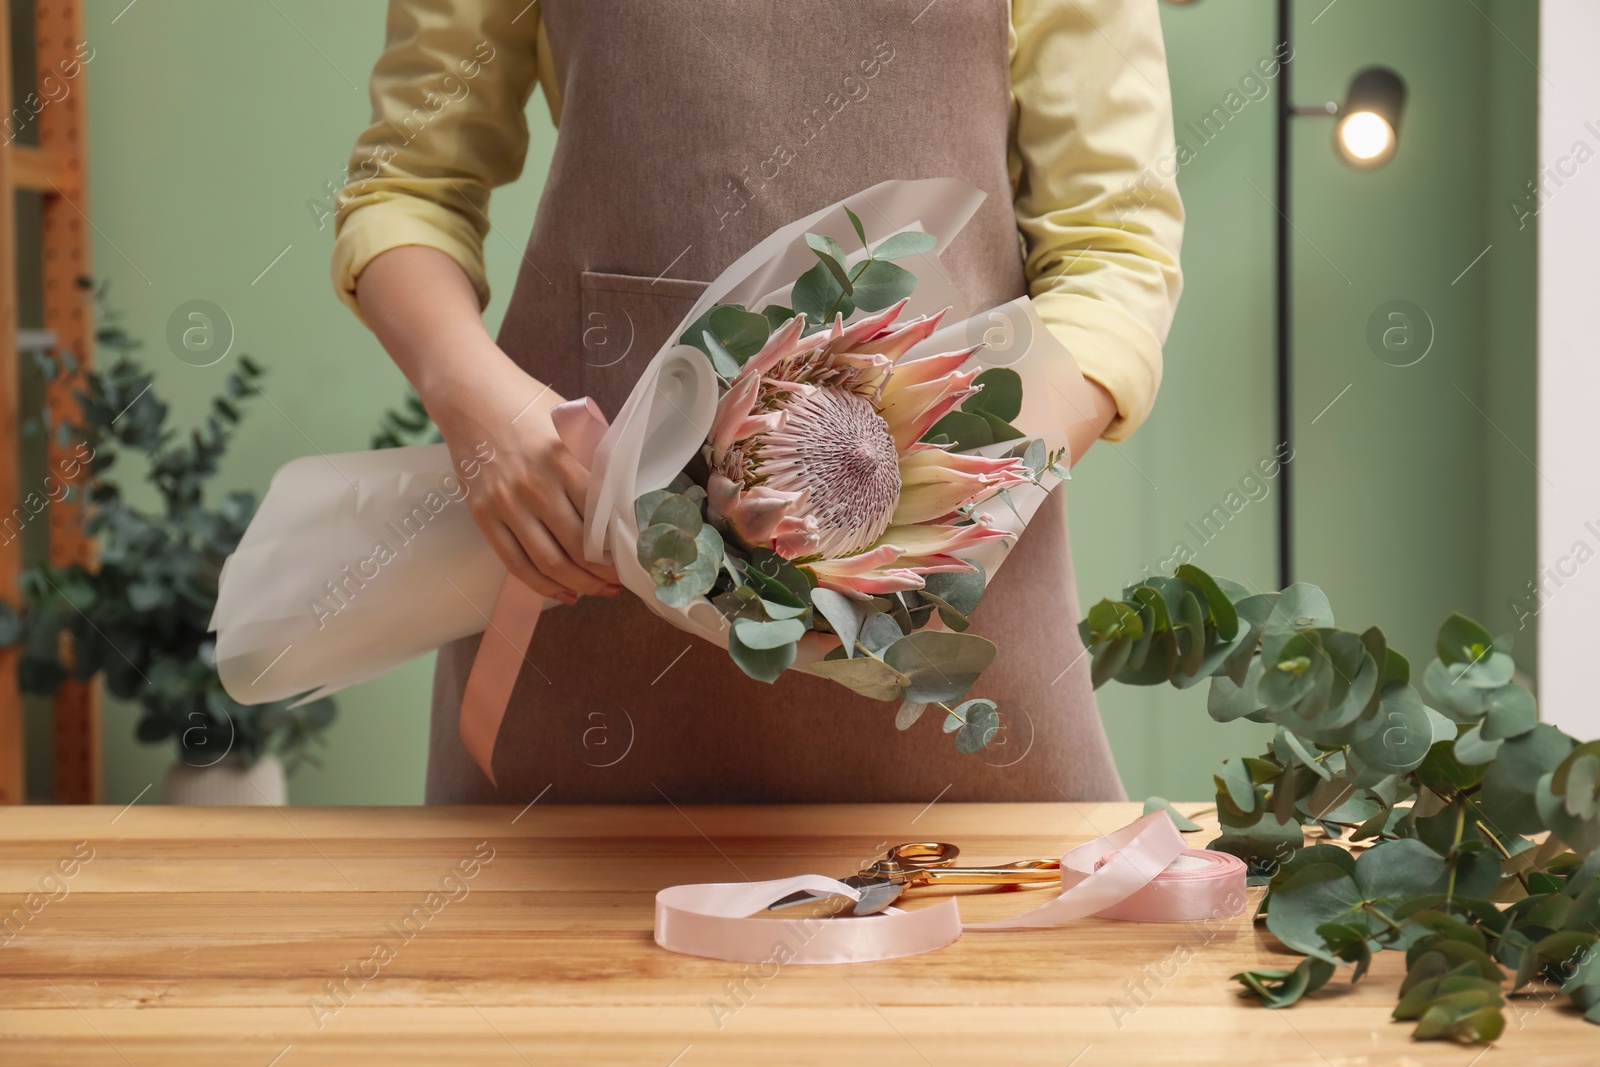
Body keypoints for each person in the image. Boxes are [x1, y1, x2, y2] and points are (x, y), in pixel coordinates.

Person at [332, 0, 1184, 804]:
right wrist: (483, 409)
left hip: (938, 617)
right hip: (580, 580)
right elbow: (407, 187)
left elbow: (1118, 246)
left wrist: (952, 502)